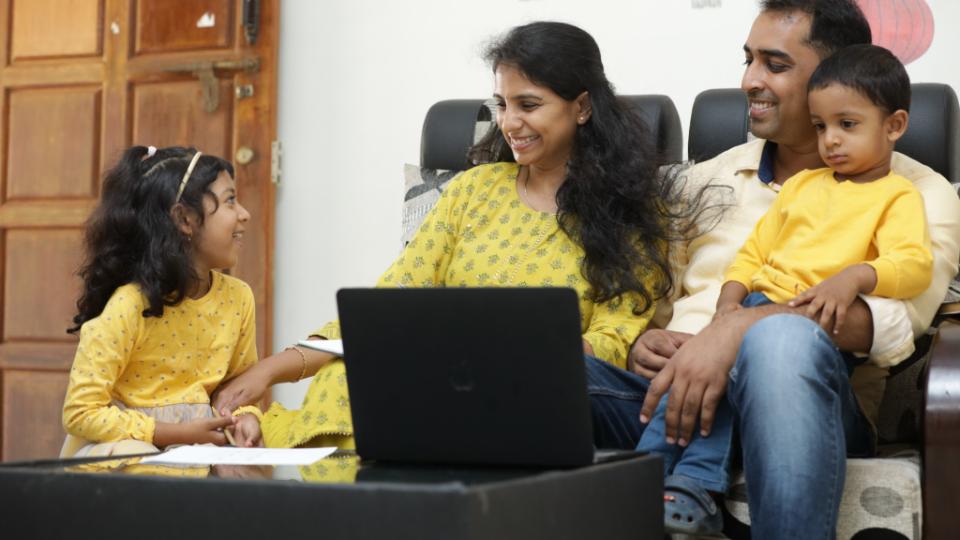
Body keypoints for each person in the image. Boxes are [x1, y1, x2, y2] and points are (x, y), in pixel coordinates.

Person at [212, 21, 695, 456]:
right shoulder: (473, 190)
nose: (509, 123)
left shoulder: (628, 208)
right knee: (345, 381)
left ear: (582, 107)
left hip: (537, 388)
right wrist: (270, 370)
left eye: (528, 105)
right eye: (502, 105)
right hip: (436, 374)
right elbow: (390, 305)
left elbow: (613, 341)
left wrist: (510, 359)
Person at [584, 1, 960, 538]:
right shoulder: (700, 182)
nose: (748, 81)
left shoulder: (917, 192)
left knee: (777, 342)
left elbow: (893, 324)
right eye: (748, 60)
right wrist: (643, 342)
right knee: (535, 363)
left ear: (834, 73)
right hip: (671, 396)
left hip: (807, 400)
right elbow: (649, 302)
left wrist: (733, 332)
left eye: (775, 65)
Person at [60, 146, 264, 459]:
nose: (244, 213)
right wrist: (176, 434)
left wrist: (246, 417)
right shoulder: (129, 306)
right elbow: (80, 413)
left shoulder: (239, 298)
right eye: (230, 200)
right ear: (184, 219)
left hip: (199, 453)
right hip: (121, 455)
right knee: (141, 461)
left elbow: (238, 388)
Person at [720, 44, 931, 340]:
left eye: (847, 124)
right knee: (691, 367)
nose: (830, 139)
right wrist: (727, 304)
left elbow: (913, 266)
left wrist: (854, 278)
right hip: (754, 306)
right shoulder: (799, 185)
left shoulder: (898, 196)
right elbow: (752, 254)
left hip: (819, 323)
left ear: (894, 126)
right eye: (820, 126)